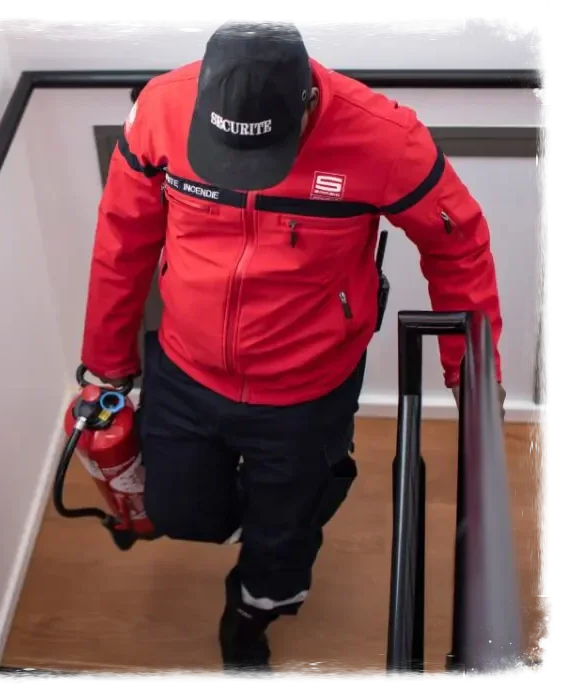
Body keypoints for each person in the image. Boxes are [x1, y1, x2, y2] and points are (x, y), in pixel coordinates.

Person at [80, 21, 506, 672]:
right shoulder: (161, 109)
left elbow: (459, 245)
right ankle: (276, 504)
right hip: (187, 368)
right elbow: (122, 241)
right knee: (180, 511)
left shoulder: (385, 138)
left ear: (307, 101)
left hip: (307, 389)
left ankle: (251, 615)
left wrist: (472, 377)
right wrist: (106, 363)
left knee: (284, 540)